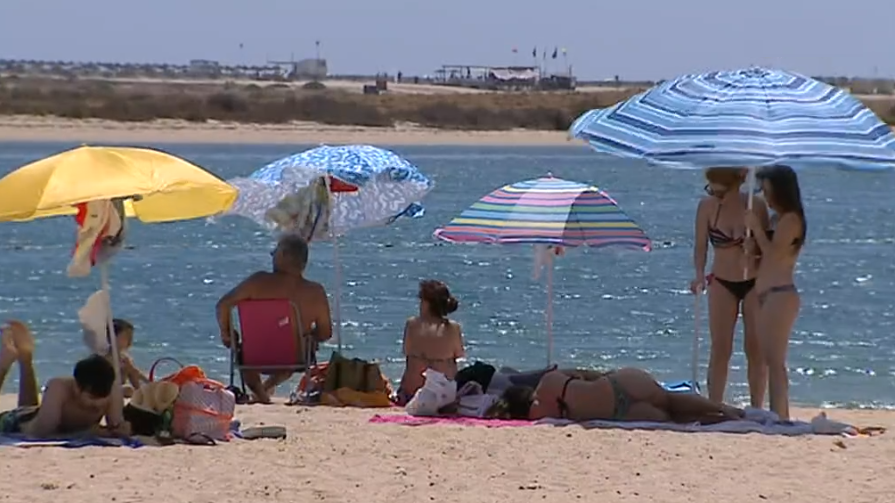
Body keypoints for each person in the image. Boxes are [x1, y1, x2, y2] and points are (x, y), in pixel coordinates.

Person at [216, 235, 333, 404]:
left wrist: (227, 334)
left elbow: (223, 306)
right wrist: (309, 337)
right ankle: (265, 390)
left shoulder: (257, 282)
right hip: (296, 357)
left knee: (243, 350)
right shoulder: (315, 292)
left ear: (285, 255)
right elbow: (325, 332)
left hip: (253, 356)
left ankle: (262, 395)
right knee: (298, 343)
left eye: (275, 251)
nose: (272, 255)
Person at [691, 167, 769, 407]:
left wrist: (753, 247)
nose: (715, 195)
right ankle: (714, 404)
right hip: (722, 281)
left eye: (720, 191)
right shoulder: (706, 207)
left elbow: (770, 251)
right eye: (711, 189)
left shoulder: (755, 206)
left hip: (754, 282)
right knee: (720, 348)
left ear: (737, 184)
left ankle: (756, 405)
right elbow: (701, 245)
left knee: (755, 348)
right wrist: (698, 275)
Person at [745, 165, 806, 421]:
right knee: (765, 357)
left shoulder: (792, 219)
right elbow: (764, 258)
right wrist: (752, 249)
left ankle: (781, 415)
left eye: (769, 191)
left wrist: (756, 230)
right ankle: (775, 413)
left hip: (780, 294)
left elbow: (775, 253)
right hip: (765, 292)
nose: (766, 198)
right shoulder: (775, 219)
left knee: (775, 360)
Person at [0, 320, 129, 437]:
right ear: (77, 388)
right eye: (92, 398)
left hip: (35, 414)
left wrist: (121, 429)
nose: (97, 404)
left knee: (30, 409)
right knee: (26, 414)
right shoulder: (59, 387)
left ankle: (25, 360)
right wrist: (85, 433)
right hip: (16, 424)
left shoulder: (111, 388)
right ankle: (4, 362)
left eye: (102, 400)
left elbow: (116, 426)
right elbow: (41, 432)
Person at [493, 367, 744, 423]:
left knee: (675, 417)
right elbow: (587, 373)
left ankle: (722, 418)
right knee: (670, 398)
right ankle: (723, 407)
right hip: (618, 384)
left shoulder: (539, 416)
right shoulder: (549, 380)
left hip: (621, 413)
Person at [396, 280, 464, 404]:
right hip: (444, 396)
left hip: (413, 394)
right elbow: (459, 353)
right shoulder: (453, 328)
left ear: (427, 303)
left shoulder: (412, 324)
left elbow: (407, 351)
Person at [108, 318, 148, 397]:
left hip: (121, 390)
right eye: (126, 337)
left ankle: (141, 394)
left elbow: (135, 372)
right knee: (128, 389)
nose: (130, 341)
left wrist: (149, 382)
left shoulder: (124, 358)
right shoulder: (106, 359)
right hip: (108, 390)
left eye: (131, 338)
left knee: (132, 374)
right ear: (112, 337)